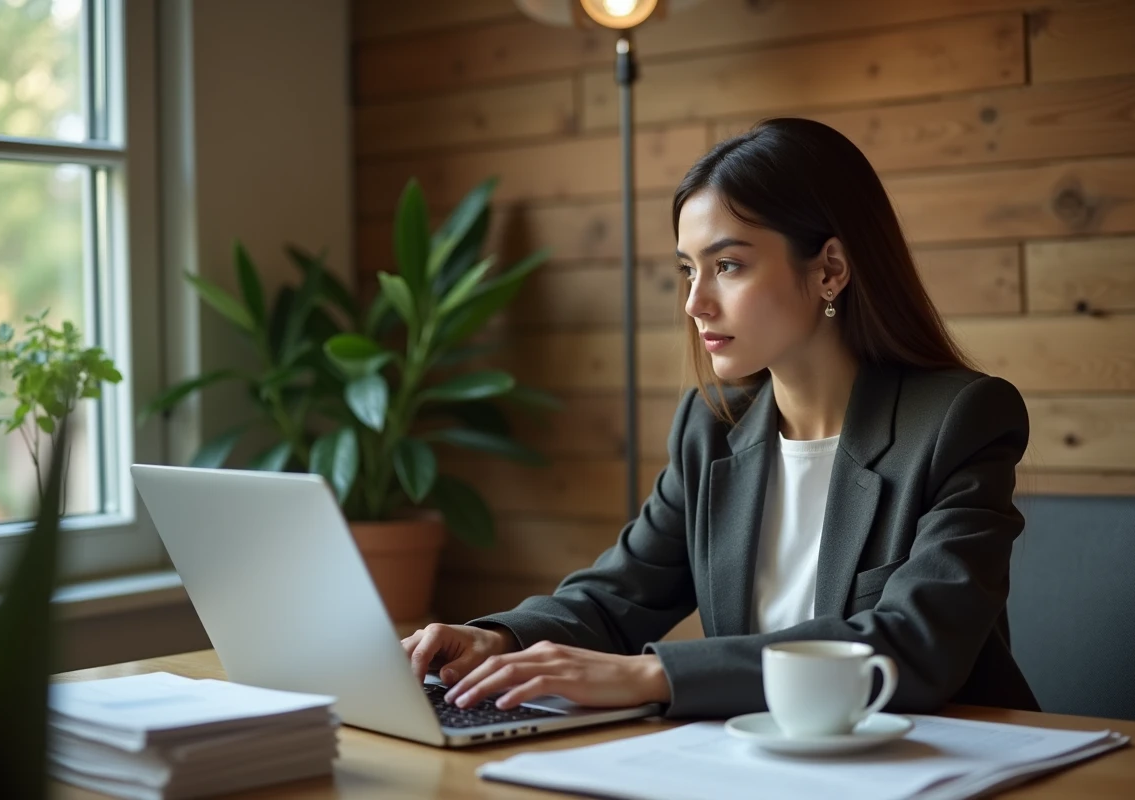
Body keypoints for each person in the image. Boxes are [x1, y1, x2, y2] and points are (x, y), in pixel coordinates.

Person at [401, 117, 1039, 719]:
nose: (694, 302)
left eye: (727, 265)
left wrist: (656, 675)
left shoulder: (960, 420)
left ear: (830, 269)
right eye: (688, 269)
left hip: (941, 757)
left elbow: (916, 642)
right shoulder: (711, 428)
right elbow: (618, 594)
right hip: (761, 761)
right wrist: (499, 637)